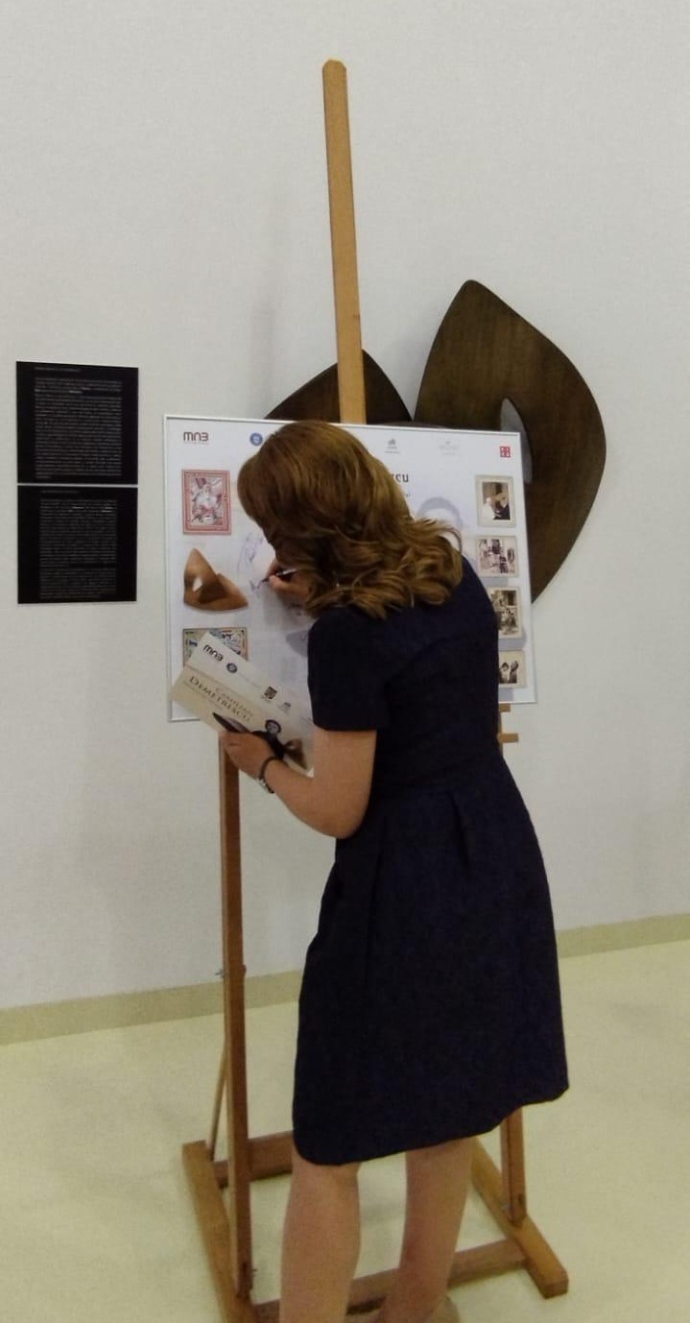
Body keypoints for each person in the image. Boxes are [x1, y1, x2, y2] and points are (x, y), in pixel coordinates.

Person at [220, 421, 568, 1323]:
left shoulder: (348, 637)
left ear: (302, 533)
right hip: (490, 847)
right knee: (447, 1105)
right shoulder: (453, 575)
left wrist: (261, 764)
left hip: (404, 882)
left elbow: (338, 808)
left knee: (329, 1139)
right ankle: (416, 1307)